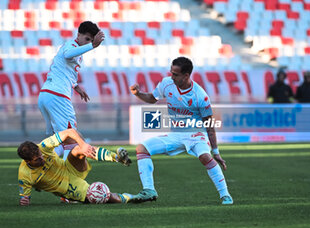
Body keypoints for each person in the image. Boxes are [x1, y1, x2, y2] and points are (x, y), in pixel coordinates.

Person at [129, 57, 233, 205]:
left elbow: (209, 125)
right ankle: (149, 190)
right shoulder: (167, 84)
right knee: (142, 148)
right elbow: (153, 98)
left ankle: (225, 195)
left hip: (197, 134)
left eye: (175, 74)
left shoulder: (200, 95)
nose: (172, 76)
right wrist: (138, 93)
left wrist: (215, 151)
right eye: (171, 73)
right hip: (176, 134)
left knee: (204, 157)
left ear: (186, 76)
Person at [37, 21, 105, 159]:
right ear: (78, 34)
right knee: (71, 136)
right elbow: (68, 54)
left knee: (59, 140)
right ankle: (66, 174)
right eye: (86, 39)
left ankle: (42, 165)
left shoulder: (77, 51)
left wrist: (76, 87)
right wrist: (93, 45)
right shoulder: (71, 46)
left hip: (46, 94)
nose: (87, 43)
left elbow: (65, 70)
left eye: (90, 41)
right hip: (57, 96)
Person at [17, 128, 132, 206]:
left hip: (69, 167)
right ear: (27, 161)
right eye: (37, 159)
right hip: (68, 187)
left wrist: (83, 144)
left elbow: (70, 132)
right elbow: (24, 198)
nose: (42, 158)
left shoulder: (43, 146)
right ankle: (132, 197)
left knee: (79, 149)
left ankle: (116, 158)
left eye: (40, 154)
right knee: (103, 197)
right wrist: (25, 200)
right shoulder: (24, 175)